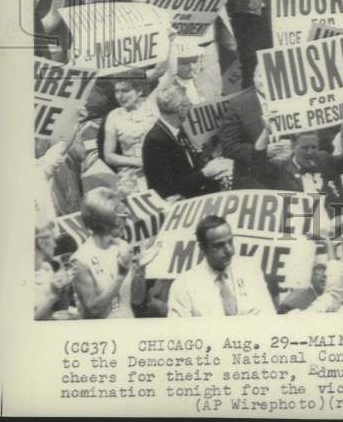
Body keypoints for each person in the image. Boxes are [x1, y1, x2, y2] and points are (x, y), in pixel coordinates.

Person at [168, 215, 276, 316]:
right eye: (219, 245)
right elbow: (179, 332)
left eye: (230, 241)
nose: (230, 251)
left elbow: (268, 316)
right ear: (203, 248)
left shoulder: (250, 269)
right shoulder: (183, 285)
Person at [142, 83, 229, 199]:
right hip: (177, 198)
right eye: (189, 105)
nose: (191, 107)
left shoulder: (176, 129)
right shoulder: (155, 141)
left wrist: (211, 162)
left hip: (191, 189)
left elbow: (189, 164)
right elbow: (168, 186)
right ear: (180, 109)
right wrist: (205, 173)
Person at [72, 187, 136, 319]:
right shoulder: (81, 260)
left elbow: (136, 299)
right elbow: (93, 310)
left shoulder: (122, 246)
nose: (126, 222)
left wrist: (141, 270)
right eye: (124, 216)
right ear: (108, 219)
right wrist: (119, 277)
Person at [101, 73, 155, 194]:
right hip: (133, 171)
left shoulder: (152, 104)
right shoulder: (114, 115)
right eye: (117, 91)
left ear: (139, 91)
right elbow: (108, 156)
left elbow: (170, 73)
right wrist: (137, 162)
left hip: (159, 164)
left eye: (125, 91)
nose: (120, 96)